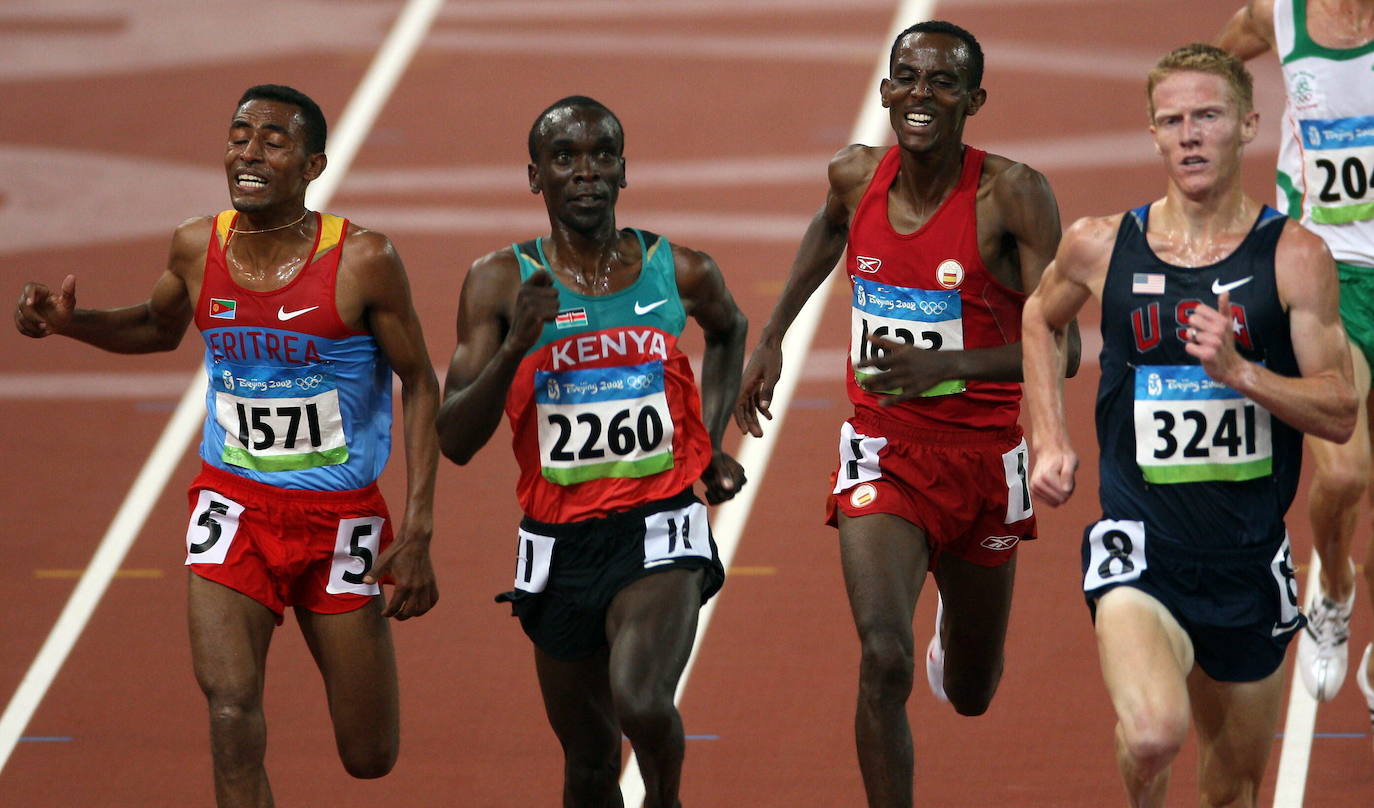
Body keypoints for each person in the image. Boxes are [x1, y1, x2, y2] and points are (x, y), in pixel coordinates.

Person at [13, 84, 440, 808]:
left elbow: (420, 383)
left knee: (369, 754)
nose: (248, 152)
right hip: (233, 510)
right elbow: (157, 326)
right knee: (231, 712)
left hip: (339, 522)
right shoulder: (195, 245)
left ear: (313, 166)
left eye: (274, 141)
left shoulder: (364, 259)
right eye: (240, 135)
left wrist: (421, 525)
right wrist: (69, 322)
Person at [734, 21, 1072, 808]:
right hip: (883, 451)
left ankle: (953, 629)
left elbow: (1063, 351)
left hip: (985, 461)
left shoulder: (1013, 195)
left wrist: (944, 365)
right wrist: (775, 332)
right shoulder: (856, 176)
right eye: (907, 78)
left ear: (974, 100)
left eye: (943, 82)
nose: (921, 95)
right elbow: (829, 227)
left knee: (972, 689)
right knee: (881, 655)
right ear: (885, 90)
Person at [1023, 44, 1357, 807]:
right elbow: (1039, 319)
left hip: (1247, 561)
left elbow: (1339, 410)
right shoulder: (1100, 245)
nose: (1190, 135)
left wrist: (1242, 374)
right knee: (1152, 733)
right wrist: (1048, 434)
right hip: (1143, 550)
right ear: (1152, 135)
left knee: (1232, 790)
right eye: (1172, 120)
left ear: (1247, 124)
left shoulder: (1296, 257)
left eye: (1207, 116)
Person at [435, 95, 747, 808]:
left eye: (602, 155)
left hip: (659, 526)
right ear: (534, 176)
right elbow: (453, 439)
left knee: (641, 701)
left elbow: (729, 331)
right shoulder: (499, 281)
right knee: (586, 763)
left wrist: (712, 442)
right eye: (565, 158)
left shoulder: (679, 270)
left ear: (624, 171)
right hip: (559, 543)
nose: (586, 172)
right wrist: (516, 344)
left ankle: (664, 801)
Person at [1214, 0, 1374, 722]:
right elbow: (1212, 75)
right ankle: (1332, 591)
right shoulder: (1281, 18)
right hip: (1326, 273)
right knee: (1345, 470)